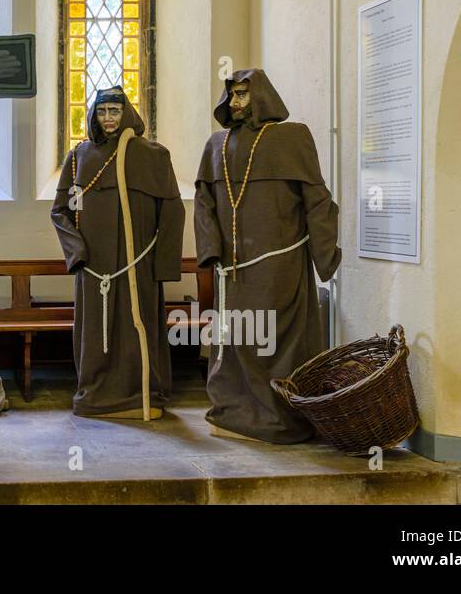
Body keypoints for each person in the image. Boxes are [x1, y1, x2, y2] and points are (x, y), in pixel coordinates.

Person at [194, 68, 341, 443]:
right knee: (236, 340)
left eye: (244, 94)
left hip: (280, 266)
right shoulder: (217, 145)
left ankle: (281, 416)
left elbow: (317, 200)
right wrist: (211, 252)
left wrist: (326, 255)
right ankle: (234, 412)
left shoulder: (292, 138)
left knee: (278, 343)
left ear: (261, 96)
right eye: (233, 95)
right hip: (233, 270)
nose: (237, 102)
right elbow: (204, 205)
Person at [51, 86, 184, 418]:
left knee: (137, 329)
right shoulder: (80, 157)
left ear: (126, 113)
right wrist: (77, 253)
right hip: (94, 266)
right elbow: (61, 211)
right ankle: (97, 394)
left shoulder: (153, 155)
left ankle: (141, 393)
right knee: (98, 333)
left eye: (114, 110)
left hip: (138, 264)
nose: (108, 118)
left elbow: (172, 211)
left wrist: (163, 265)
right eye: (101, 111)